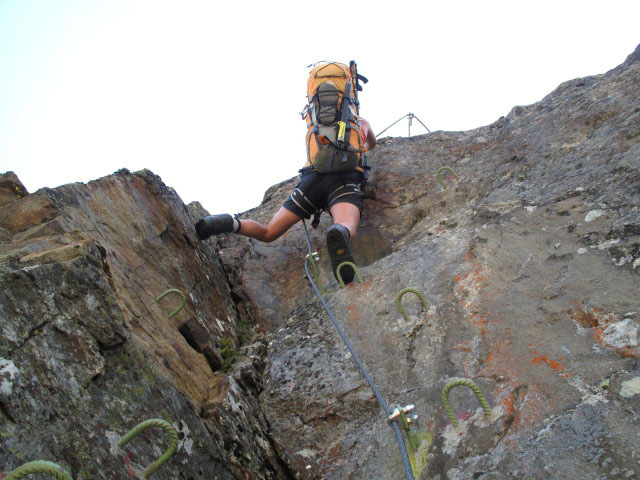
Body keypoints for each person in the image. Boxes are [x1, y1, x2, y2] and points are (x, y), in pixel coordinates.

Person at [195, 69, 377, 285]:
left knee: (269, 232)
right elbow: (371, 144)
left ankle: (225, 223)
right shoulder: (359, 123)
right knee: (346, 224)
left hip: (312, 181)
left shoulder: (314, 118)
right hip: (344, 181)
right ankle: (339, 232)